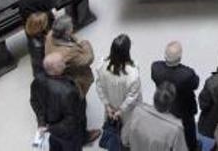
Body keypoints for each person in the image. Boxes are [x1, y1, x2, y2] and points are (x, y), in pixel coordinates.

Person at [45, 15, 100, 145]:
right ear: (65, 32)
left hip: (59, 80)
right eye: (71, 28)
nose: (73, 29)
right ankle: (83, 137)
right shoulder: (69, 52)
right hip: (74, 83)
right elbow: (88, 58)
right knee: (80, 111)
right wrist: (85, 43)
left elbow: (70, 39)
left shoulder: (51, 35)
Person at [31, 53, 97, 150]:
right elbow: (72, 121)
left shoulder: (37, 81)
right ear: (56, 69)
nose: (64, 62)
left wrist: (42, 123)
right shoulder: (69, 91)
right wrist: (49, 129)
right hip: (68, 135)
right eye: (62, 62)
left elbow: (34, 102)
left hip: (51, 127)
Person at [152, 41, 200, 151]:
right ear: (179, 58)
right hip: (184, 111)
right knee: (189, 132)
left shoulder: (155, 68)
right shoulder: (187, 74)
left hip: (165, 107)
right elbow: (196, 84)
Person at [95, 34, 142, 139]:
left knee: (114, 133)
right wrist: (120, 111)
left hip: (111, 108)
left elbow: (99, 87)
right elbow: (132, 96)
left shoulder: (102, 65)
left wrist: (107, 106)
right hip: (127, 111)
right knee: (128, 131)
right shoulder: (133, 73)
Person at [122, 82, 188, 151]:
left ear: (154, 97)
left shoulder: (137, 112)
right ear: (172, 103)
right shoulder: (176, 129)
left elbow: (124, 139)